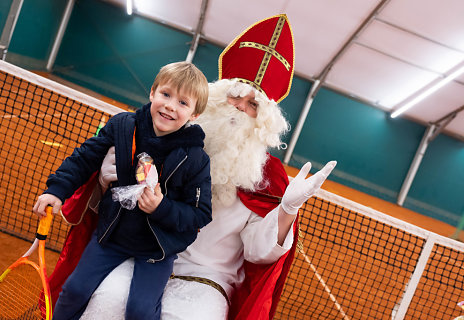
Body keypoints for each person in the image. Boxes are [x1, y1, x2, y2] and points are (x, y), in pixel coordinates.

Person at [47, 14, 336, 320]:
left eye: (253, 105)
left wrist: (287, 210)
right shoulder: (161, 136)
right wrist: (107, 177)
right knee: (104, 302)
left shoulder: (264, 178)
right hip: (142, 251)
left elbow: (257, 252)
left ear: (262, 121)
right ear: (212, 100)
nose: (240, 107)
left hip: (206, 279)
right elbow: (105, 189)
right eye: (236, 96)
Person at [33, 61, 212, 320]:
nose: (171, 106)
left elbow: (199, 214)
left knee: (139, 311)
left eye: (183, 103)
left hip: (157, 251)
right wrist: (57, 190)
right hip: (111, 237)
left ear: (195, 115)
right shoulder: (123, 126)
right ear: (152, 93)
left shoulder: (196, 159)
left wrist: (161, 208)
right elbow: (84, 158)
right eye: (166, 94)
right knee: (73, 290)